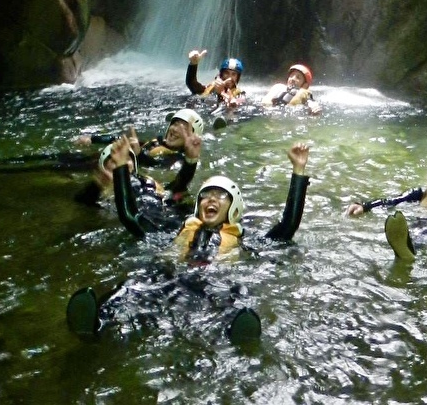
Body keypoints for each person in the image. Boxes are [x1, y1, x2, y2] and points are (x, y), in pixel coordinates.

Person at [66, 142, 311, 344]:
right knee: (132, 285)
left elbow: (286, 228)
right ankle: (97, 321)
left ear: (233, 207)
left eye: (220, 196)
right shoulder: (176, 230)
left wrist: (298, 171)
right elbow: (130, 216)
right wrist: (120, 169)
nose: (210, 200)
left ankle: (238, 332)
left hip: (213, 281)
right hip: (171, 275)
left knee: (238, 295)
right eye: (205, 195)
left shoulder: (243, 239)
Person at [73, 110, 204, 210]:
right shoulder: (155, 142)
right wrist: (93, 139)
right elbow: (120, 139)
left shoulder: (149, 185)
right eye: (175, 124)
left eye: (183, 127)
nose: (176, 129)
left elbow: (177, 185)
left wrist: (191, 160)